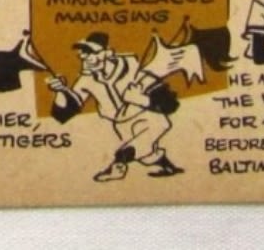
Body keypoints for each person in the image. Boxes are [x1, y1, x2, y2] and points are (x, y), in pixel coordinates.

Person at [49, 32, 183, 182]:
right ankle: (169, 168)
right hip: (121, 124)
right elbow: (63, 114)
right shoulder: (86, 80)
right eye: (83, 54)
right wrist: (60, 91)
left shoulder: (132, 67)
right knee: (145, 153)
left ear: (108, 53)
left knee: (136, 144)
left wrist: (140, 99)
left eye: (92, 52)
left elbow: (170, 104)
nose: (86, 58)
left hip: (148, 115)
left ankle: (117, 166)